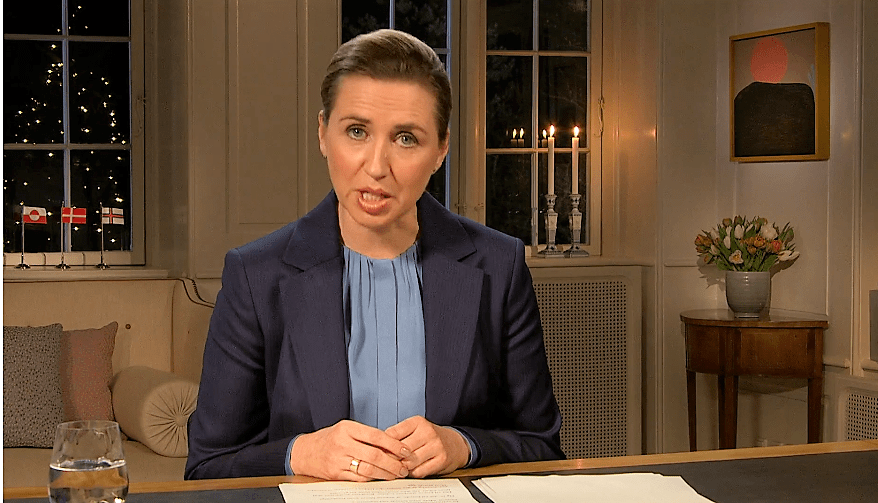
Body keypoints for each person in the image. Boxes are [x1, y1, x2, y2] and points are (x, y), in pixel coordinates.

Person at [185, 28, 563, 482]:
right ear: (323, 133)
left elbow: (542, 447)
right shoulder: (254, 275)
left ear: (441, 149)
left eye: (406, 139)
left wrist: (464, 445)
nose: (377, 167)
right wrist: (300, 454)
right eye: (357, 131)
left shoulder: (499, 265)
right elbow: (207, 467)